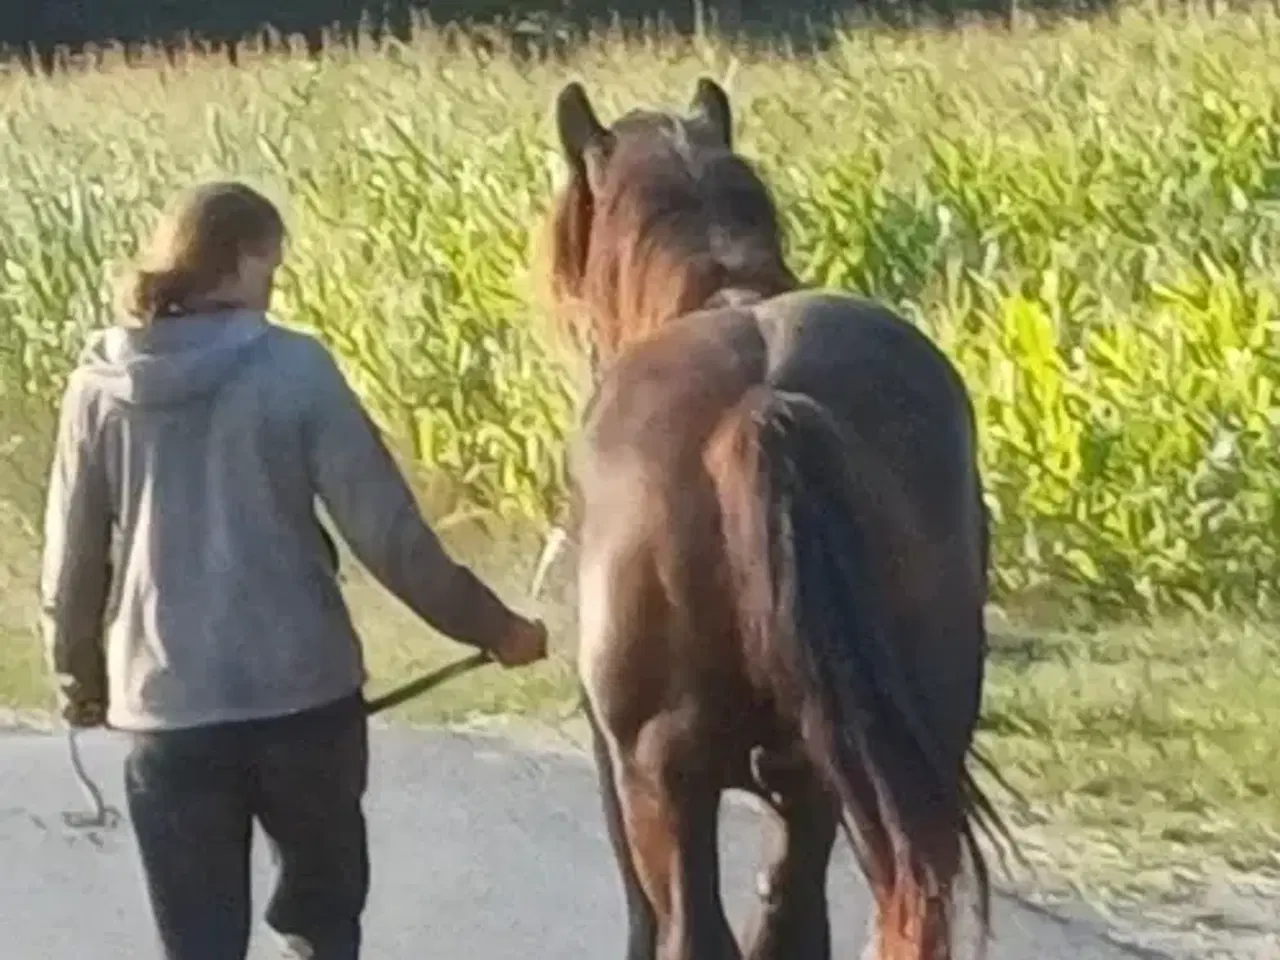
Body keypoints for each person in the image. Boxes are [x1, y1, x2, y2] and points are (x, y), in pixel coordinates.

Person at [38, 180, 548, 960]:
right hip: (305, 703)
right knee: (321, 927)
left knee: (198, 945)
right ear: (240, 261)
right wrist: (495, 628)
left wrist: (79, 680)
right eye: (269, 269)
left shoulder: (97, 391)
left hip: (169, 714)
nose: (271, 290)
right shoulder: (293, 371)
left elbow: (73, 563)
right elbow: (392, 537)